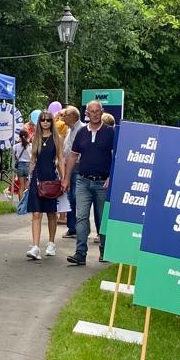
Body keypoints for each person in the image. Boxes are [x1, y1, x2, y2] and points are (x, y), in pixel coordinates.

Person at [64, 100, 115, 266]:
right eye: (91, 111)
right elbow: (72, 156)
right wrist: (66, 178)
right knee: (81, 217)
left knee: (102, 218)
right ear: (86, 113)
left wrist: (111, 177)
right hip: (83, 180)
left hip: (102, 182)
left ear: (101, 112)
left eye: (97, 111)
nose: (94, 114)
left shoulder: (110, 133)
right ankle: (80, 253)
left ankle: (105, 250)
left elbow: (116, 157)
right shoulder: (81, 133)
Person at [25, 111, 64, 259]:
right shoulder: (35, 138)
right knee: (36, 213)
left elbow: (60, 159)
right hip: (37, 178)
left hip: (51, 179)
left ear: (52, 122)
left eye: (48, 120)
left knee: (51, 213)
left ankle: (51, 243)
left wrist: (64, 179)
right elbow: (33, 160)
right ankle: (35, 246)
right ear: (39, 122)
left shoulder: (57, 138)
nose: (46, 122)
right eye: (43, 120)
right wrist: (29, 178)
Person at [58, 105, 82, 237]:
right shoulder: (69, 130)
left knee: (75, 196)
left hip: (78, 167)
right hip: (68, 166)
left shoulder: (82, 129)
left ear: (73, 116)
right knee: (69, 197)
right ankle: (72, 228)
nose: (63, 117)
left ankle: (79, 227)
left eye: (65, 115)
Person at [12, 127, 31, 202]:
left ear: (19, 137)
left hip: (20, 166)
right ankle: (27, 204)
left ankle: (20, 204)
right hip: (28, 166)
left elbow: (13, 156)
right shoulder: (30, 146)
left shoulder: (15, 146)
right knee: (28, 186)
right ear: (28, 137)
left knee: (21, 187)